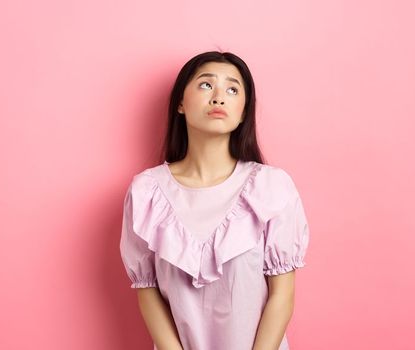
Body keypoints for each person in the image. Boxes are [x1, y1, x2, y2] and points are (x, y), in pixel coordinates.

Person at [119, 51, 310, 350]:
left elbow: (282, 295)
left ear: (244, 111)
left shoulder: (270, 187)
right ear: (180, 103)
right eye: (206, 85)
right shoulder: (147, 192)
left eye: (233, 89)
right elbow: (147, 290)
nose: (219, 97)